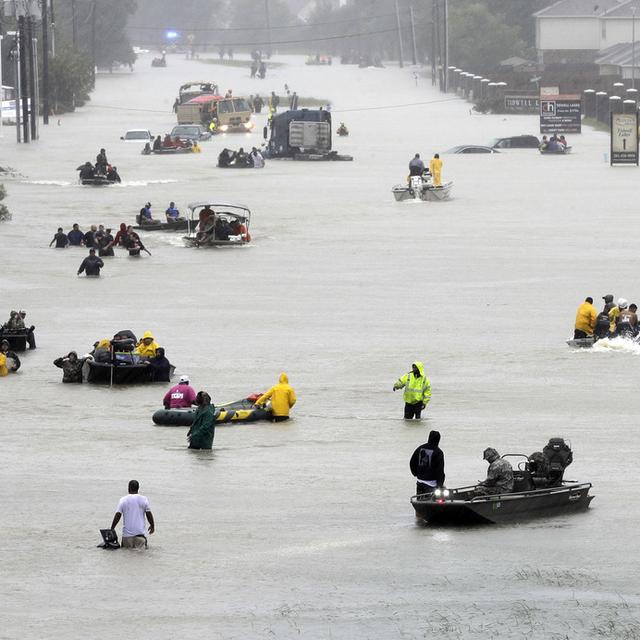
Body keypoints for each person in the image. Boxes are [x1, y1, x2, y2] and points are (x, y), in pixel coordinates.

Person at [110, 480, 155, 549]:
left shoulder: (123, 500)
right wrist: (152, 525)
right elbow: (148, 514)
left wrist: (112, 528)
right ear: (138, 488)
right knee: (141, 557)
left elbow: (118, 515)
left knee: (126, 557)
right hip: (140, 536)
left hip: (127, 537)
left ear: (128, 488)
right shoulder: (144, 499)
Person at [409, 430, 445, 496]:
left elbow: (412, 462)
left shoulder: (420, 448)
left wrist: (416, 474)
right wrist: (440, 485)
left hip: (420, 481)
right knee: (436, 501)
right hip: (431, 484)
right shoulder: (438, 452)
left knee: (420, 499)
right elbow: (440, 470)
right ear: (438, 440)